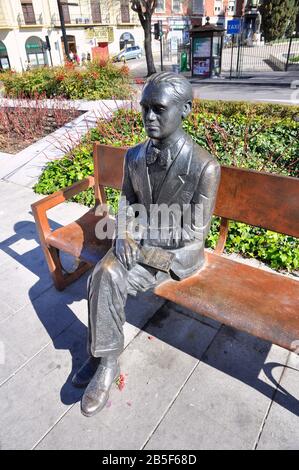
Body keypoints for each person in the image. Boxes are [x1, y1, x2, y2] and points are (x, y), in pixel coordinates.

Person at [72, 72, 221, 417]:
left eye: (159, 108)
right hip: (136, 242)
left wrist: (142, 247)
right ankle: (106, 360)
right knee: (105, 272)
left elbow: (193, 238)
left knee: (105, 275)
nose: (149, 117)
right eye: (144, 109)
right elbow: (126, 202)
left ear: (185, 110)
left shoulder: (204, 167)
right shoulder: (135, 156)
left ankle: (100, 357)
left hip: (175, 256)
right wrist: (124, 232)